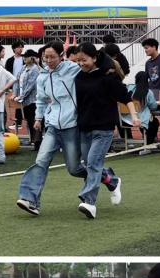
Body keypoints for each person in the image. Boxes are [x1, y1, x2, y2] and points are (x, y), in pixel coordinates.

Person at [16, 42, 118, 216]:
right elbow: (41, 99)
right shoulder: (42, 76)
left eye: (52, 57)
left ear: (61, 56)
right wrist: (39, 118)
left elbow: (94, 64)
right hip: (52, 125)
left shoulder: (73, 69)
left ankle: (108, 178)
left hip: (72, 125)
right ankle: (30, 200)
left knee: (74, 169)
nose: (49, 61)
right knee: (41, 160)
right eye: (45, 57)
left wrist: (107, 69)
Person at [74, 43, 138, 219]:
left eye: (84, 60)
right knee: (90, 164)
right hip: (84, 128)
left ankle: (89, 202)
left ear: (94, 58)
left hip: (103, 128)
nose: (81, 64)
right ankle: (113, 181)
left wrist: (134, 116)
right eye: (78, 60)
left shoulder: (108, 77)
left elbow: (126, 97)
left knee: (93, 163)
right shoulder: (79, 77)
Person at [13, 50, 42, 150]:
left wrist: (21, 96)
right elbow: (17, 81)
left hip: (32, 100)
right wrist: (16, 94)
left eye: (27, 56)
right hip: (23, 100)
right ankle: (33, 140)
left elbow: (31, 85)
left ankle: (37, 143)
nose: (24, 58)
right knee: (28, 122)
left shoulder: (35, 69)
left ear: (32, 58)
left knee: (33, 121)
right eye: (24, 56)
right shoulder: (23, 67)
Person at [123, 71, 160, 145]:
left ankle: (132, 141)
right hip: (140, 120)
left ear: (136, 79)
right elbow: (153, 107)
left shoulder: (129, 88)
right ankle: (149, 142)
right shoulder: (148, 92)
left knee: (150, 121)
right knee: (155, 122)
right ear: (147, 80)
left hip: (126, 119)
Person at [142, 38, 160, 140]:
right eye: (144, 48)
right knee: (148, 115)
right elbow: (146, 78)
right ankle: (152, 136)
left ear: (154, 47)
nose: (145, 50)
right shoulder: (148, 63)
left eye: (147, 48)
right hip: (152, 93)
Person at [4, 40, 25, 131]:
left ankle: (21, 122)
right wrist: (8, 86)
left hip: (25, 83)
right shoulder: (10, 60)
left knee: (25, 103)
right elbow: (7, 73)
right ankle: (18, 122)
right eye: (19, 47)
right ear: (14, 49)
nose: (21, 49)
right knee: (17, 103)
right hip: (15, 85)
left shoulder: (25, 58)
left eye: (22, 47)